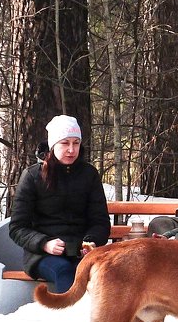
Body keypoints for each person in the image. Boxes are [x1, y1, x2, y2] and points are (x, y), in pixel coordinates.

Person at [8, 115, 111, 293]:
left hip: (82, 252)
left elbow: (100, 221)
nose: (71, 150)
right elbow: (17, 227)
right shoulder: (32, 176)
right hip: (43, 255)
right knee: (65, 271)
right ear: (53, 145)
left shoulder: (89, 174)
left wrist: (90, 241)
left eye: (76, 143)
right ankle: (69, 318)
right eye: (65, 143)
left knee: (103, 273)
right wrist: (44, 243)